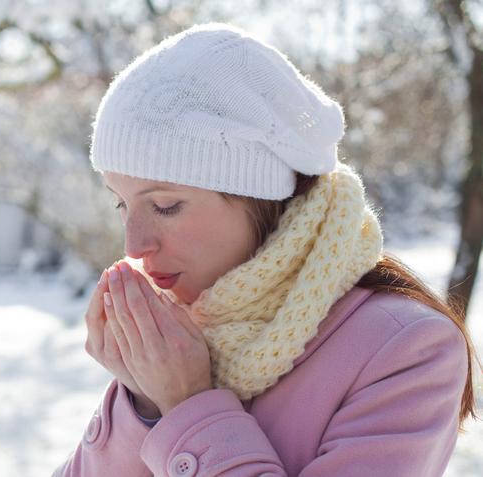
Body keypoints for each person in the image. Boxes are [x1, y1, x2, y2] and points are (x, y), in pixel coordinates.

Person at [53, 22, 478, 476]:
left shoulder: (404, 349)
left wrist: (187, 404)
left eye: (165, 205)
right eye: (122, 203)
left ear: (260, 198)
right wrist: (141, 402)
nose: (134, 245)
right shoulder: (187, 333)